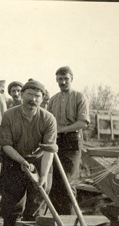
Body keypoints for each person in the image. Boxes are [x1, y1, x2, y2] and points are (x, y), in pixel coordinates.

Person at [0, 79, 58, 226]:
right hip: (14, 160)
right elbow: (6, 145)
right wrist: (22, 161)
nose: (33, 99)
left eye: (37, 96)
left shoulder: (48, 119)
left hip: (40, 163)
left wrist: (44, 176)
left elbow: (49, 151)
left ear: (42, 98)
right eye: (30, 94)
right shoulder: (10, 115)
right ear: (22, 94)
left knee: (35, 208)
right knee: (10, 206)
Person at [47, 66, 90, 215]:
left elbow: (83, 123)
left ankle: (70, 223)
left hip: (72, 142)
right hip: (56, 142)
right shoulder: (53, 100)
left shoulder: (79, 97)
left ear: (72, 79)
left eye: (66, 79)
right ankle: (56, 222)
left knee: (68, 182)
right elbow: (48, 122)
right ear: (56, 80)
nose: (63, 82)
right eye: (60, 79)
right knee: (54, 182)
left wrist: (61, 130)